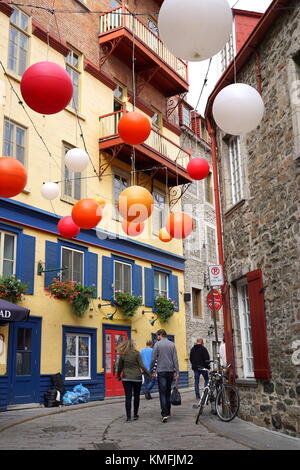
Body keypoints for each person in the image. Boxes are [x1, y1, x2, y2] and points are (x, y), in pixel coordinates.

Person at [117, 339, 152, 422]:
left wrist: (118, 375)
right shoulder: (137, 353)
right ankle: (135, 415)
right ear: (133, 345)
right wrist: (149, 375)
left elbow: (119, 367)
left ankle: (128, 417)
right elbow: (142, 366)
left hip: (126, 378)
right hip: (137, 378)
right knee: (136, 397)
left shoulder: (123, 354)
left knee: (128, 398)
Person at [150, 329, 179, 423]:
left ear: (160, 335)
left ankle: (164, 414)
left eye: (157, 336)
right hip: (170, 371)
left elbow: (153, 358)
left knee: (162, 392)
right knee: (167, 391)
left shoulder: (157, 344)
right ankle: (168, 411)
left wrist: (151, 369)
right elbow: (175, 359)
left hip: (161, 371)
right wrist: (177, 372)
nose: (157, 337)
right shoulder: (172, 344)